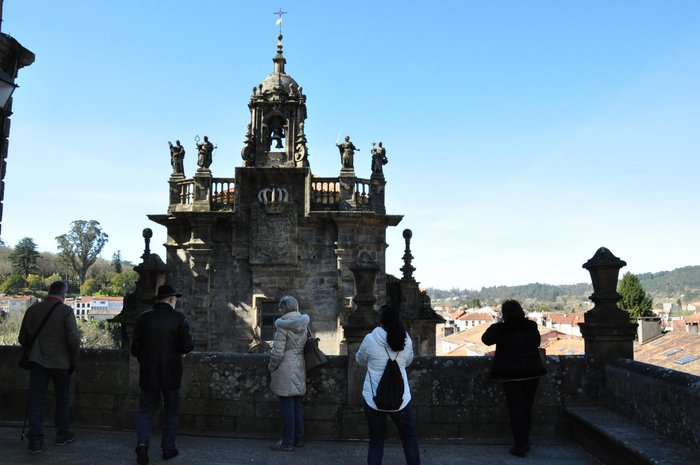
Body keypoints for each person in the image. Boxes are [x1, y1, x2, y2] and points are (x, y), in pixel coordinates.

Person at [131, 284, 194, 465]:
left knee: (146, 411)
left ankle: (142, 445)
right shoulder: (179, 319)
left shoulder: (144, 318)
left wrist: (145, 359)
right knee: (171, 412)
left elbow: (135, 348)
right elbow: (187, 346)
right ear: (172, 300)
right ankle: (168, 448)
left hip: (148, 373)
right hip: (172, 373)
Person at [18, 280, 80, 454]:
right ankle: (63, 434)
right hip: (61, 362)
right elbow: (73, 339)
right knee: (63, 398)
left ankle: (35, 441)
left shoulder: (33, 310)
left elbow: (22, 338)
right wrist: (74, 360)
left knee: (35, 400)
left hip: (37, 361)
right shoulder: (66, 311)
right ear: (64, 294)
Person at [481, 299, 547, 458]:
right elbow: (537, 342)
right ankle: (525, 441)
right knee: (526, 408)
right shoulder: (531, 326)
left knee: (516, 410)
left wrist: (498, 322)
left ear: (504, 314)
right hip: (532, 373)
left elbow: (486, 339)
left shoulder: (502, 328)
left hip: (512, 376)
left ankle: (520, 445)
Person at [355, 304, 420, 465]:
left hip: (374, 398)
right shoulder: (406, 339)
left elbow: (359, 359)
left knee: (376, 441)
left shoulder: (370, 339)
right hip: (401, 398)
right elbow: (408, 361)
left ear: (381, 321)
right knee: (409, 439)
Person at [267, 295, 310, 452]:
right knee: (297, 404)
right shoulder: (304, 323)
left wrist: (271, 367)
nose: (279, 310)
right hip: (300, 364)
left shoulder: (282, 326)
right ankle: (298, 439)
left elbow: (278, 353)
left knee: (287, 406)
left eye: (280, 307)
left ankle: (287, 442)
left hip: (286, 366)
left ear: (285, 308)